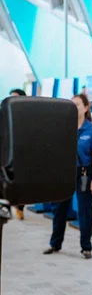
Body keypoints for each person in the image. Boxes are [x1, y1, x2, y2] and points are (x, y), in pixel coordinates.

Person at [45, 93, 92, 259]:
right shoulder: (63, 127)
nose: (74, 107)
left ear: (85, 108)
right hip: (64, 173)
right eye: (72, 104)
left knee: (84, 210)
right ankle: (55, 243)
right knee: (59, 209)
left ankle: (86, 247)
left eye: (77, 104)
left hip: (84, 172)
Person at [8, 88, 27, 220]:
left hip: (24, 156)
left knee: (22, 183)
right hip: (9, 157)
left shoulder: (27, 116)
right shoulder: (6, 116)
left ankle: (20, 207)